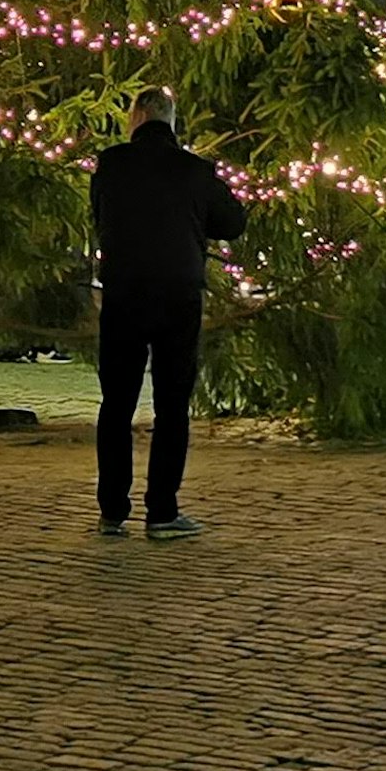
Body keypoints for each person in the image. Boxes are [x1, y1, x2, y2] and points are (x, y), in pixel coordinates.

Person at [90, 87, 246, 541]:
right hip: (178, 296)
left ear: (136, 117)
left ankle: (112, 511)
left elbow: (99, 215)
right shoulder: (195, 170)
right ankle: (162, 511)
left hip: (123, 294)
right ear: (173, 121)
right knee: (172, 406)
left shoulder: (111, 164)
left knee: (116, 405)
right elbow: (233, 221)